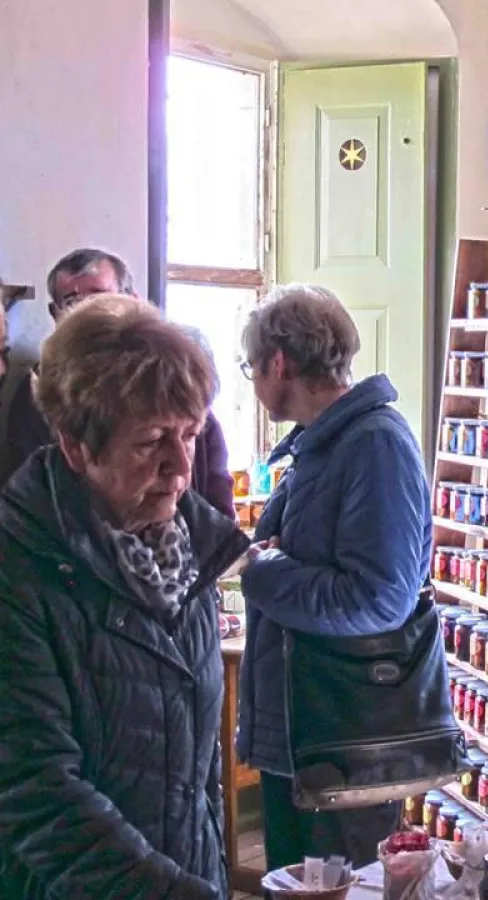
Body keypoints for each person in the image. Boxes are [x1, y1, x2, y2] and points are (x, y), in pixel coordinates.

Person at [0, 295, 246, 899]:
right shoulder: (18, 571)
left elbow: (194, 769)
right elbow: (37, 791)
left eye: (190, 435)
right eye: (151, 441)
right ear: (76, 447)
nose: (180, 467)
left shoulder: (188, 551)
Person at [237, 284, 433, 869]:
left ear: (279, 363)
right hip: (308, 735)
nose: (253, 380)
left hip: (347, 740)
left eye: (252, 367)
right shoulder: (321, 446)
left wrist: (262, 570)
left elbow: (379, 598)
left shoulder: (374, 444)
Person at [0, 247, 235, 518]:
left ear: (132, 300)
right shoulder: (34, 398)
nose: (89, 317)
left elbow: (217, 519)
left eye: (101, 300)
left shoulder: (177, 385)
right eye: (74, 303)